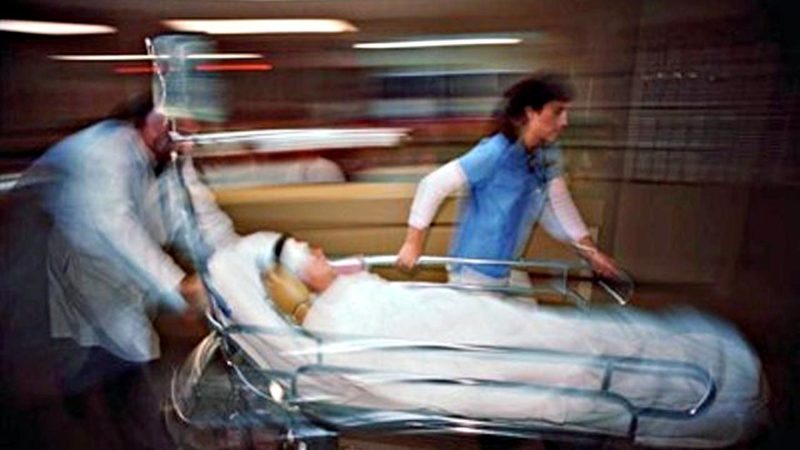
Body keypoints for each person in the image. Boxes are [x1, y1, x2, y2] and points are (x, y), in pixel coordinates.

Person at [204, 233, 767, 449]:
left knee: (581, 338)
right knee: (582, 359)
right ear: (290, 286)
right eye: (308, 255)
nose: (320, 251)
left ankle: (700, 374)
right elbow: (416, 371)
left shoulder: (351, 297)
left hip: (492, 328)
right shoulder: (341, 325)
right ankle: (705, 390)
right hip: (493, 354)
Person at [0, 93, 239, 449]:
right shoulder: (105, 150)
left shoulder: (171, 160)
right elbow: (113, 228)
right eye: (177, 124)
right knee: (46, 393)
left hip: (98, 289)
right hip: (40, 271)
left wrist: (241, 263)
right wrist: (177, 287)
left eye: (192, 129)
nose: (187, 136)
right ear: (150, 120)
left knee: (113, 378)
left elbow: (200, 220)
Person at [396, 72, 619, 286]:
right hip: (475, 272)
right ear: (531, 113)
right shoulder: (495, 152)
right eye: (557, 112)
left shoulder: (544, 156)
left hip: (506, 268)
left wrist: (591, 253)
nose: (564, 122)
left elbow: (558, 206)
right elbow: (433, 184)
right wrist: (413, 243)